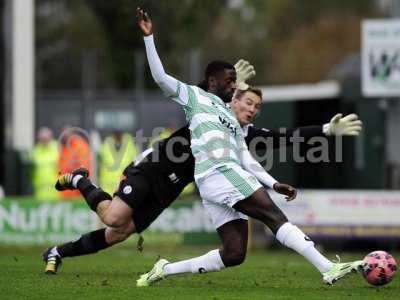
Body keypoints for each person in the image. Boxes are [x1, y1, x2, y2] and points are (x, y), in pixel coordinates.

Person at [42, 15, 362, 280]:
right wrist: (150, 38)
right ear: (227, 90)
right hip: (158, 170)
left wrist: (320, 134)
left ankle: (77, 252)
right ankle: (327, 267)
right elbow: (171, 82)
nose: (250, 108)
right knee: (114, 218)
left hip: (179, 185)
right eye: (244, 98)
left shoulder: (232, 124)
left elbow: (262, 148)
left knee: (121, 231)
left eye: (255, 105)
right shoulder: (201, 102)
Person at [135, 7, 362, 287]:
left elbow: (244, 154)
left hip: (214, 179)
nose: (234, 86)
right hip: (218, 172)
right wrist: (149, 37)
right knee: (273, 215)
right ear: (213, 81)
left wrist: (273, 183)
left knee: (234, 253)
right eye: (230, 81)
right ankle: (328, 268)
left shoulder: (229, 116)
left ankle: (165, 269)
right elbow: (160, 77)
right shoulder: (195, 97)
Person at [99, 130, 139, 195]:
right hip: (107, 189)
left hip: (125, 188)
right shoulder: (105, 145)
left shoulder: (131, 144)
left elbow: (136, 165)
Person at [30, 127, 59, 201]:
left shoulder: (58, 149)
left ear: (50, 138)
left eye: (46, 138)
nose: (44, 140)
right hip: (40, 191)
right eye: (42, 139)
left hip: (56, 190)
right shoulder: (35, 152)